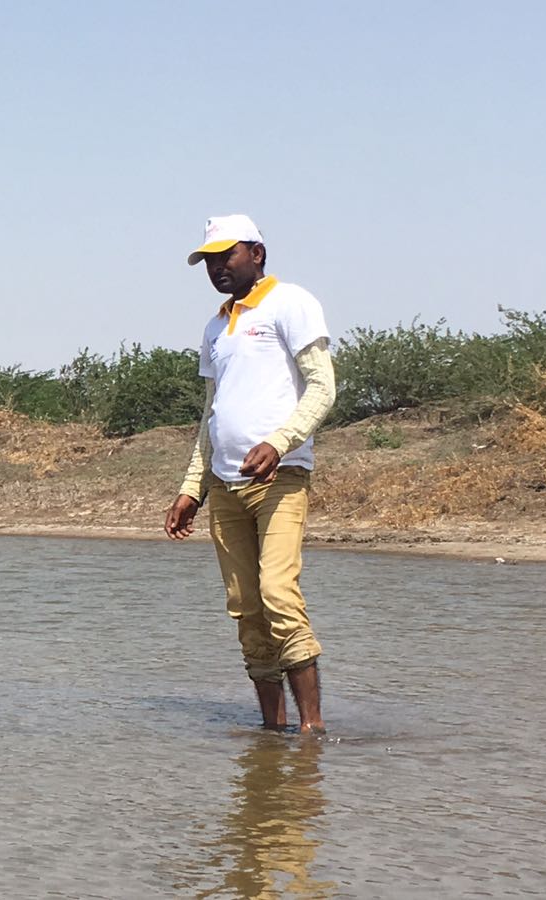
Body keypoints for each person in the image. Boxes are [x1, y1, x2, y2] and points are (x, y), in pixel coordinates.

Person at [163, 216, 336, 733]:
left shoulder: (292, 303)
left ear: (256, 253)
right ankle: (272, 731)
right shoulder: (216, 326)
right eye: (210, 260)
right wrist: (191, 487)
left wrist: (279, 443)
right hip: (224, 486)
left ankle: (312, 729)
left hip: (279, 480)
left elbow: (323, 387)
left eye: (227, 255)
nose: (217, 267)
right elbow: (211, 414)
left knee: (278, 594)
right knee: (246, 608)